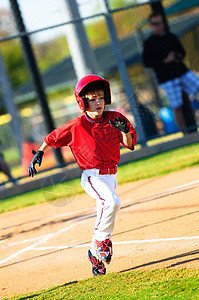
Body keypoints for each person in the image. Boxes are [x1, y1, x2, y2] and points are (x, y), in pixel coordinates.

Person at [28, 74, 137, 276]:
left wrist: (125, 132)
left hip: (112, 176)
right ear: (82, 101)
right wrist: (39, 153)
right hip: (92, 176)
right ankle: (99, 242)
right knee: (112, 202)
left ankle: (95, 255)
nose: (98, 102)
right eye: (93, 98)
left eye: (101, 98)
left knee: (105, 210)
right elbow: (52, 137)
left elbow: (130, 144)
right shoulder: (77, 125)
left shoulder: (115, 119)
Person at [142, 12, 199, 133]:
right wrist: (164, 60)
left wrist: (176, 57)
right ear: (151, 26)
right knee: (176, 105)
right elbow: (147, 62)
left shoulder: (171, 37)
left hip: (181, 71)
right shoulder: (150, 43)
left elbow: (182, 53)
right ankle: (184, 132)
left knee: (197, 86)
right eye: (155, 24)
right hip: (167, 78)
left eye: (160, 23)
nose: (159, 26)